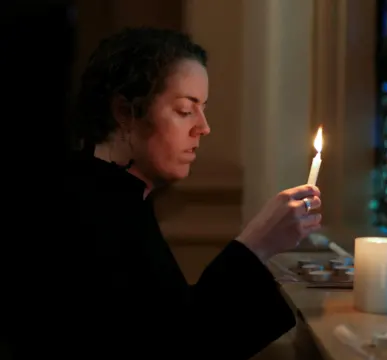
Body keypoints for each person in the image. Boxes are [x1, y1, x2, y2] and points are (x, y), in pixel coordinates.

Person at [10, 27, 322, 360]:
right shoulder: (84, 211)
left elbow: (166, 319)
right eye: (185, 110)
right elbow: (175, 348)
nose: (203, 127)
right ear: (125, 112)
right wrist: (256, 245)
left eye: (202, 109)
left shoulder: (118, 195)